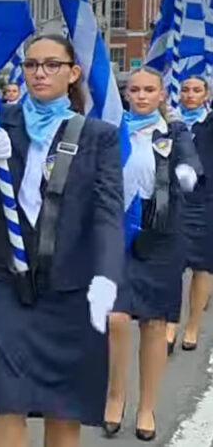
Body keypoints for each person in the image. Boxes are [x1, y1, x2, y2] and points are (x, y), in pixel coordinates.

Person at [0, 34, 123, 447]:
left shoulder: (98, 135)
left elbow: (107, 214)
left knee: (63, 408)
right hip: (5, 283)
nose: (39, 73)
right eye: (31, 65)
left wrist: (106, 277)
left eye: (51, 64)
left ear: (73, 73)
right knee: (7, 401)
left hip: (72, 287)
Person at [104, 67, 200, 441]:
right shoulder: (112, 130)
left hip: (159, 233)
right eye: (134, 90)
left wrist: (186, 174)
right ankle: (115, 394)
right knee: (114, 317)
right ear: (126, 94)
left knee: (155, 325)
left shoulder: (174, 132)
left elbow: (190, 163)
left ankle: (147, 406)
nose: (141, 96)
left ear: (162, 95)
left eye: (149, 90)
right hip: (116, 230)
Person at [178, 75, 213, 352]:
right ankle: (169, 323)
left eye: (196, 90)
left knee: (202, 265)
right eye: (185, 90)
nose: (190, 95)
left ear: (206, 95)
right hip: (171, 203)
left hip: (205, 201)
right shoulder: (169, 123)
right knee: (170, 265)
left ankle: (192, 325)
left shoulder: (209, 124)